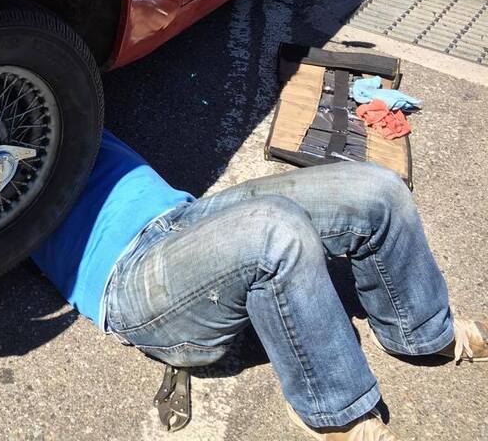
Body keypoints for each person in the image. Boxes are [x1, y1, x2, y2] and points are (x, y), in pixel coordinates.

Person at [32, 132, 486, 440]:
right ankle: (335, 409)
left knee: (377, 190)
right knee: (276, 233)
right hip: (129, 276)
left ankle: (424, 331)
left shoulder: (50, 86)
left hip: (186, 216)